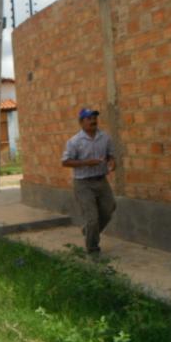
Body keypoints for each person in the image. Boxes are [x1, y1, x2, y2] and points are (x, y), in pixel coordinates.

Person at [62, 108, 116, 254]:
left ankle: (89, 231)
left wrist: (112, 162)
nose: (93, 120)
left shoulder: (105, 138)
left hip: (101, 180)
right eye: (89, 118)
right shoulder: (74, 141)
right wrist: (86, 163)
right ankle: (93, 249)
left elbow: (111, 155)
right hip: (83, 183)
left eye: (94, 118)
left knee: (109, 208)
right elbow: (65, 162)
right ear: (81, 122)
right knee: (92, 218)